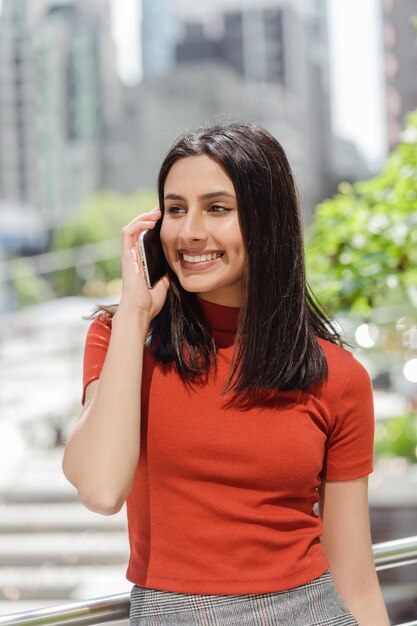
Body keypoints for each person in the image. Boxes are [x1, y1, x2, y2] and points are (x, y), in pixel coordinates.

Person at [62, 121, 391, 625]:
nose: (190, 231)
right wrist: (133, 315)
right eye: (175, 209)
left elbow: (355, 577)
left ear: (266, 222)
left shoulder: (336, 375)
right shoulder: (121, 338)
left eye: (217, 208)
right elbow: (101, 490)